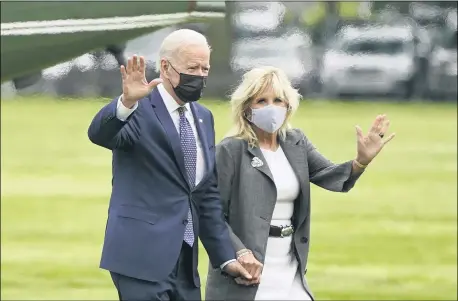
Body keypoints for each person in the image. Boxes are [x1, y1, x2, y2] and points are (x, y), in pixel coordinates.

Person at [87, 29, 252, 301]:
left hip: (185, 262)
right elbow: (100, 134)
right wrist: (126, 102)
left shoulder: (203, 117)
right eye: (192, 68)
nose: (199, 75)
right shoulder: (138, 107)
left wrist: (225, 258)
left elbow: (204, 195)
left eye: (205, 68)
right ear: (165, 67)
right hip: (140, 258)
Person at [205, 66, 395, 301]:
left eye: (278, 100)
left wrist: (360, 162)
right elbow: (212, 213)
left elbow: (330, 175)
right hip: (248, 271)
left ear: (288, 105)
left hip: (289, 265)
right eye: (261, 101)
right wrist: (239, 252)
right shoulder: (231, 150)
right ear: (246, 109)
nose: (271, 107)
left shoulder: (296, 142)